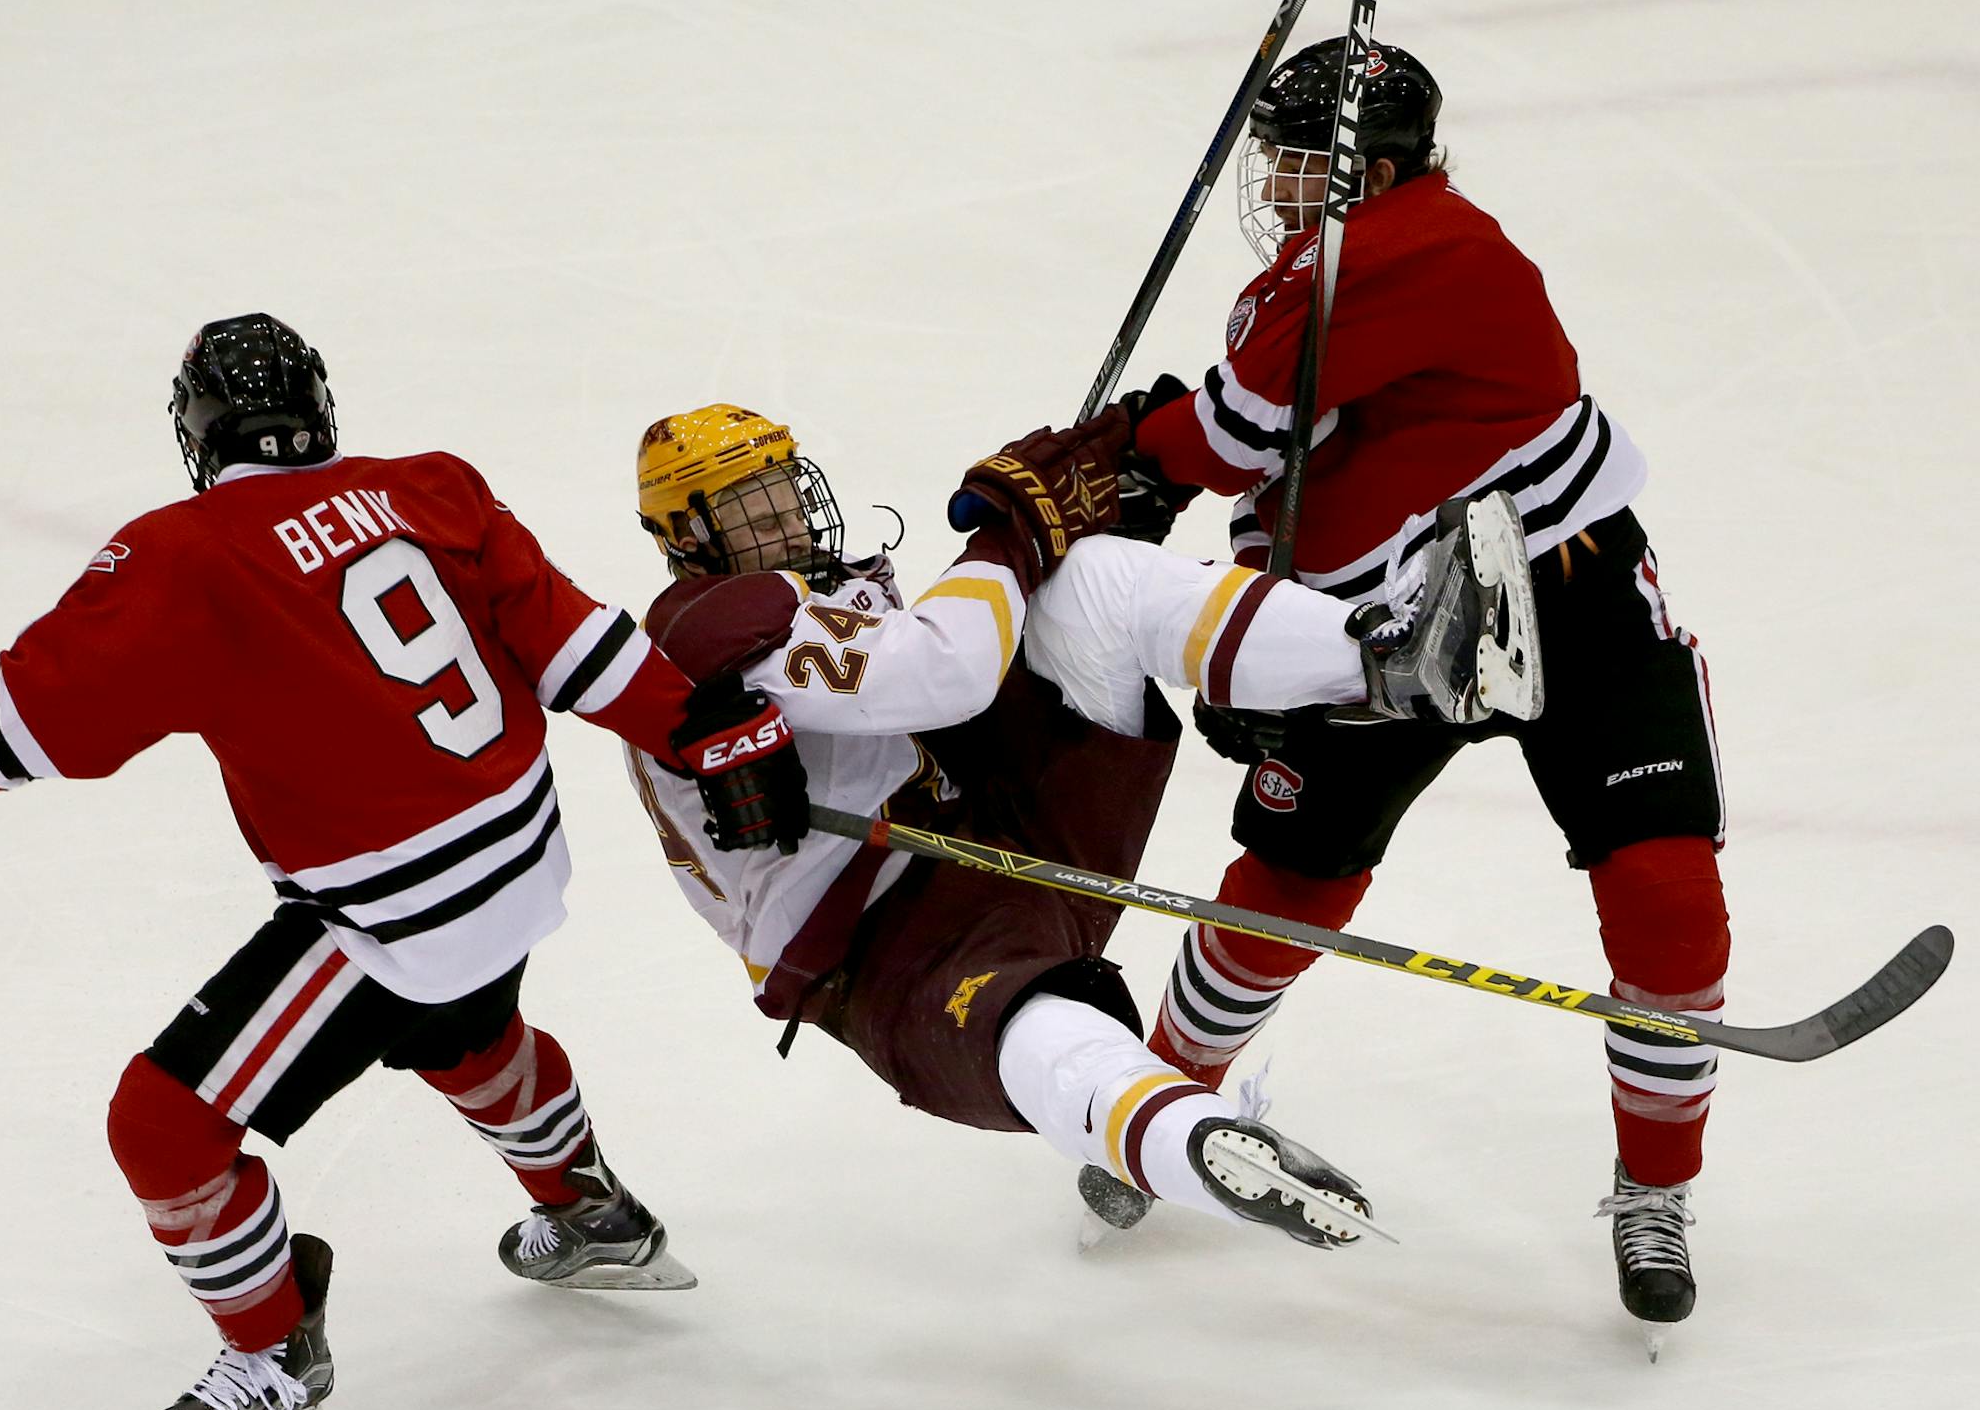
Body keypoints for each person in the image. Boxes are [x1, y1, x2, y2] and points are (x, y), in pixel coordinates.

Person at [0, 314, 809, 1410]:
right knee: (466, 1031)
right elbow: (574, 645)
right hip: (522, 860)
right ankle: (590, 1211)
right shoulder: (433, 488)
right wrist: (708, 732)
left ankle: (274, 1362)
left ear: (200, 436)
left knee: (164, 1125)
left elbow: (38, 733)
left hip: (392, 911)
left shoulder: (180, 554)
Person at [1102, 38, 1731, 1355]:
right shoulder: (1318, 274)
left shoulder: (1414, 252)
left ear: (1370, 173)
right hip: (1384, 630)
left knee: (1666, 893)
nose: (1273, 186)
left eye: (1296, 163)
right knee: (1283, 889)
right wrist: (1254, 631)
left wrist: (1125, 457)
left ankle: (1655, 1192)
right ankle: (1163, 1090)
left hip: (1569, 592)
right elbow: (1281, 479)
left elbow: (1224, 439)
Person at [616, 399, 1539, 1252]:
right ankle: (1192, 1137)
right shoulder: (708, 625)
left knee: (1094, 580)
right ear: (688, 538)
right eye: (745, 505)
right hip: (876, 948)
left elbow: (953, 665)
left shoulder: (808, 589)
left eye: (781, 488)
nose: (779, 517)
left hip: (984, 820)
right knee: (1037, 1031)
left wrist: (1079, 523)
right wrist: (1014, 536)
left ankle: (1387, 659)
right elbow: (946, 672)